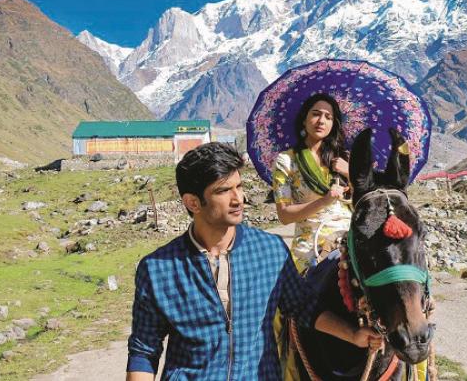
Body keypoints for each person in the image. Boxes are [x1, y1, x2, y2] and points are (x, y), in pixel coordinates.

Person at [126, 142, 382, 381]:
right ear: (193, 202)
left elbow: (304, 307)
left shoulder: (269, 251)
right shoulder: (158, 269)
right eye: (223, 190)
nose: (238, 199)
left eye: (239, 186)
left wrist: (353, 335)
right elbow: (144, 350)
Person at [272, 93, 353, 272]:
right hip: (311, 246)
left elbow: (364, 201)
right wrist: (324, 201)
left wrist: (350, 172)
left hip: (350, 239)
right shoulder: (286, 160)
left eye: (328, 117)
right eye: (316, 114)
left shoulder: (345, 160)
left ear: (333, 124)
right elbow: (284, 216)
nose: (321, 121)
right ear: (304, 119)